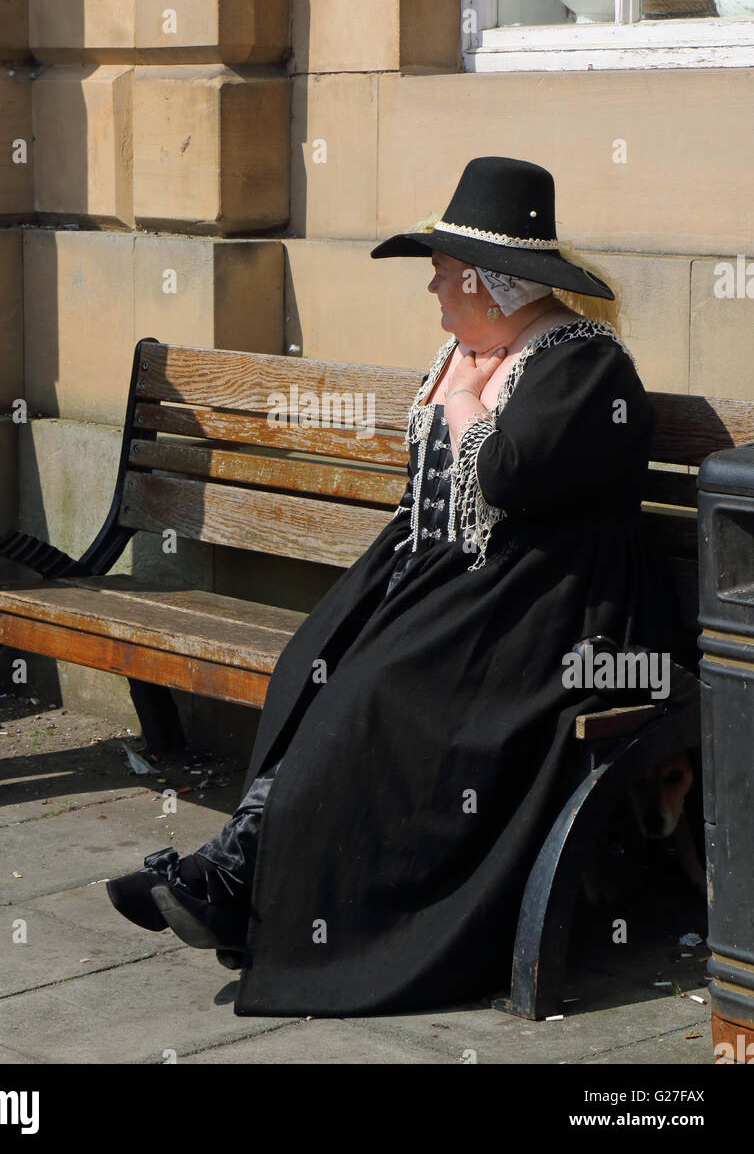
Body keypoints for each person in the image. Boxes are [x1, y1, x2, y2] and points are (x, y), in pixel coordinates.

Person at [106, 155, 689, 1017]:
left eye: (446, 274)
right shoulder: (482, 350)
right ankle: (242, 871)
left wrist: (461, 405)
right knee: (317, 663)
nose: (433, 290)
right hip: (463, 585)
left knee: (374, 698)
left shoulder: (583, 366)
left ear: (495, 285)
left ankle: (268, 891)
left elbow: (509, 474)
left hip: (557, 611)